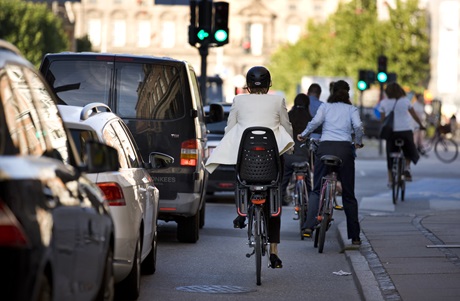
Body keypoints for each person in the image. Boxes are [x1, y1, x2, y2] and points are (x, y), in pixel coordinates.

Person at [205, 66, 294, 269]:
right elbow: (286, 127)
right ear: (268, 83)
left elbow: (230, 127)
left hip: (247, 160)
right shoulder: (277, 100)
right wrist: (289, 147)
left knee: (242, 178)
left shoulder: (238, 100)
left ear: (247, 84)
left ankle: (242, 211)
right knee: (274, 201)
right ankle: (274, 252)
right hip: (271, 161)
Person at [297, 80, 364, 245]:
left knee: (316, 189)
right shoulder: (351, 109)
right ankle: (355, 237)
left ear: (332, 92)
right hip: (344, 149)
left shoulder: (326, 107)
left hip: (325, 147)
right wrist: (358, 142)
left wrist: (304, 134)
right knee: (348, 194)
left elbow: (315, 123)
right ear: (347, 93)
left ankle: (308, 226)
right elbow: (358, 126)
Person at [379, 82, 424, 184]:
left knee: (389, 154)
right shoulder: (406, 101)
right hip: (405, 131)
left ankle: (390, 179)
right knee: (409, 149)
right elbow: (414, 116)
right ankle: (407, 167)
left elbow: (383, 120)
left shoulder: (384, 103)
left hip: (392, 133)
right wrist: (421, 125)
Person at [281, 93, 313, 205]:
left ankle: (281, 199)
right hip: (303, 156)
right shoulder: (310, 119)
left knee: (283, 180)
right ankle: (310, 201)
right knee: (308, 182)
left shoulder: (288, 116)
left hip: (289, 155)